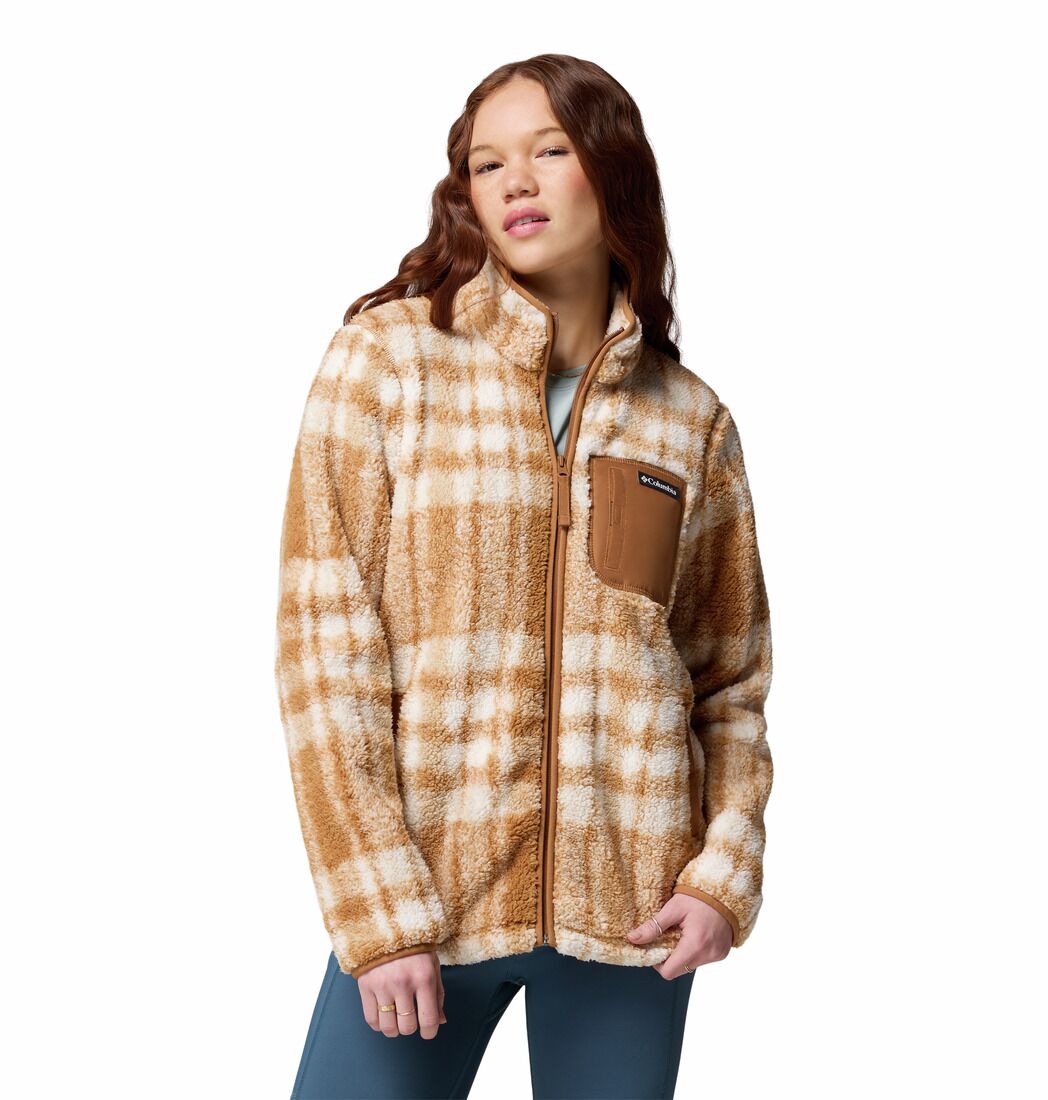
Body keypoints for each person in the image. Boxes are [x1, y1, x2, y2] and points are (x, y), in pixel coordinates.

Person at [274, 52, 774, 1100]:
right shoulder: (389, 362)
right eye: (487, 162)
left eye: (550, 150)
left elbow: (726, 681)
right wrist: (378, 909)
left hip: (633, 917)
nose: (517, 182)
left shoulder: (688, 420)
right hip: (429, 906)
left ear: (613, 170)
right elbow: (326, 654)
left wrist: (721, 874)